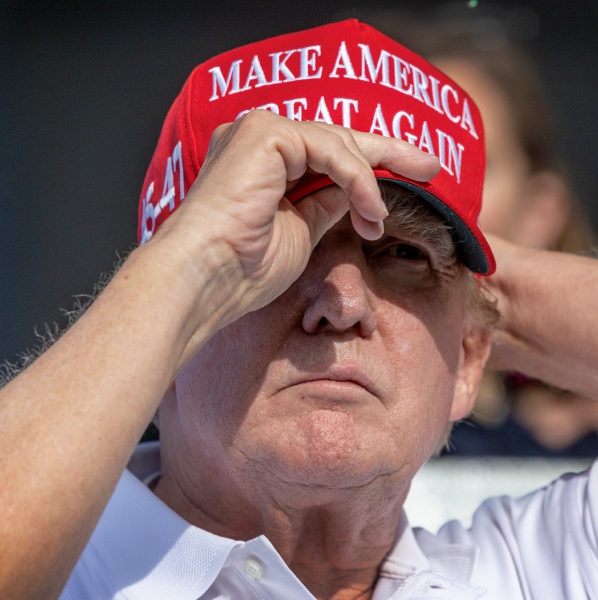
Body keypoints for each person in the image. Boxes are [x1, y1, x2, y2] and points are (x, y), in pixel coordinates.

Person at [0, 20, 597, 600]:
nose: (342, 305)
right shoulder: (71, 572)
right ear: (168, 325)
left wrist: (487, 294)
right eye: (266, 256)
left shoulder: (540, 568)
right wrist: (187, 264)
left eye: (402, 256)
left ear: (469, 359)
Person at [367, 12, 598, 455]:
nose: (416, 187)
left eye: (459, 162)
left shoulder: (570, 461)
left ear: (541, 210)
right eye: (388, 160)